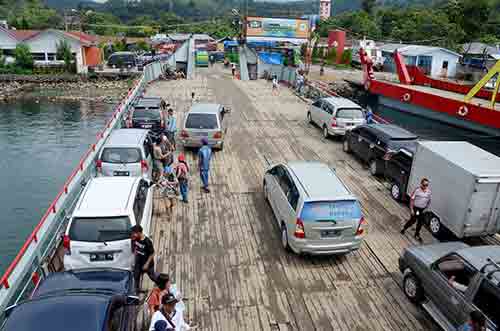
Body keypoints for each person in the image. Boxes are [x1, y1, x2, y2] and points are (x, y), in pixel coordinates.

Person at [401, 178, 432, 242]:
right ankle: (404, 228)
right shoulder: (417, 190)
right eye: (424, 185)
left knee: (420, 222)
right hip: (416, 209)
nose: (425, 186)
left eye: (427, 185)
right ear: (421, 184)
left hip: (422, 210)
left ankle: (417, 234)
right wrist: (412, 209)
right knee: (413, 220)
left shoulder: (428, 192)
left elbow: (429, 201)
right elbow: (412, 200)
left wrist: (426, 208)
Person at [131, 225, 157, 290]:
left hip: (147, 263)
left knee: (153, 277)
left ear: (139, 233)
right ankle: (136, 291)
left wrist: (146, 264)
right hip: (138, 263)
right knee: (136, 277)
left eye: (134, 233)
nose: (133, 234)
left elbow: (152, 253)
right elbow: (134, 249)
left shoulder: (147, 241)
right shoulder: (134, 238)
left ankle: (163, 285)